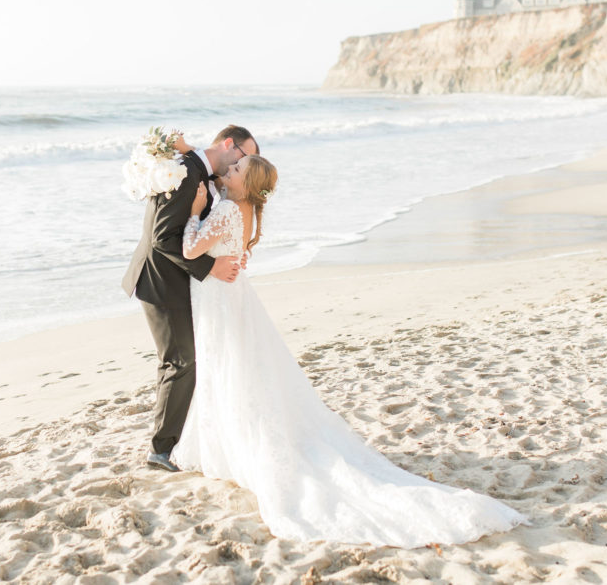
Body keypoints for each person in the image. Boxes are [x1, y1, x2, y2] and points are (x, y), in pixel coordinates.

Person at [169, 153, 527, 548]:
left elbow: (188, 250)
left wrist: (195, 212)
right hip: (229, 296)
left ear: (245, 185)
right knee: (234, 365)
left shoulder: (225, 211)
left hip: (220, 298)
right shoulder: (246, 211)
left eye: (235, 171)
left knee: (226, 366)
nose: (228, 171)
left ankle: (231, 446)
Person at [122, 125, 259, 472]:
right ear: (229, 145)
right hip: (160, 281)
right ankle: (160, 450)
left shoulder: (198, 168)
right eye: (246, 156)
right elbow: (162, 238)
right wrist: (211, 266)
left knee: (188, 360)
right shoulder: (186, 174)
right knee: (181, 362)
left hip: (178, 280)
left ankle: (178, 441)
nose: (246, 164)